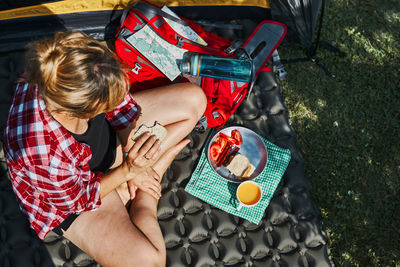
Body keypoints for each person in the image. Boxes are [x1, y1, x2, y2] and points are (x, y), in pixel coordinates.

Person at [3, 31, 207, 266]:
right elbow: (78, 199)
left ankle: (128, 186)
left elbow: (122, 107)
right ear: (70, 112)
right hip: (77, 190)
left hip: (111, 150)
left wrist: (133, 154)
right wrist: (129, 171)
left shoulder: (75, 65)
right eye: (105, 105)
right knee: (149, 262)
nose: (116, 103)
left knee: (195, 102)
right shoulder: (40, 154)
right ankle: (145, 195)